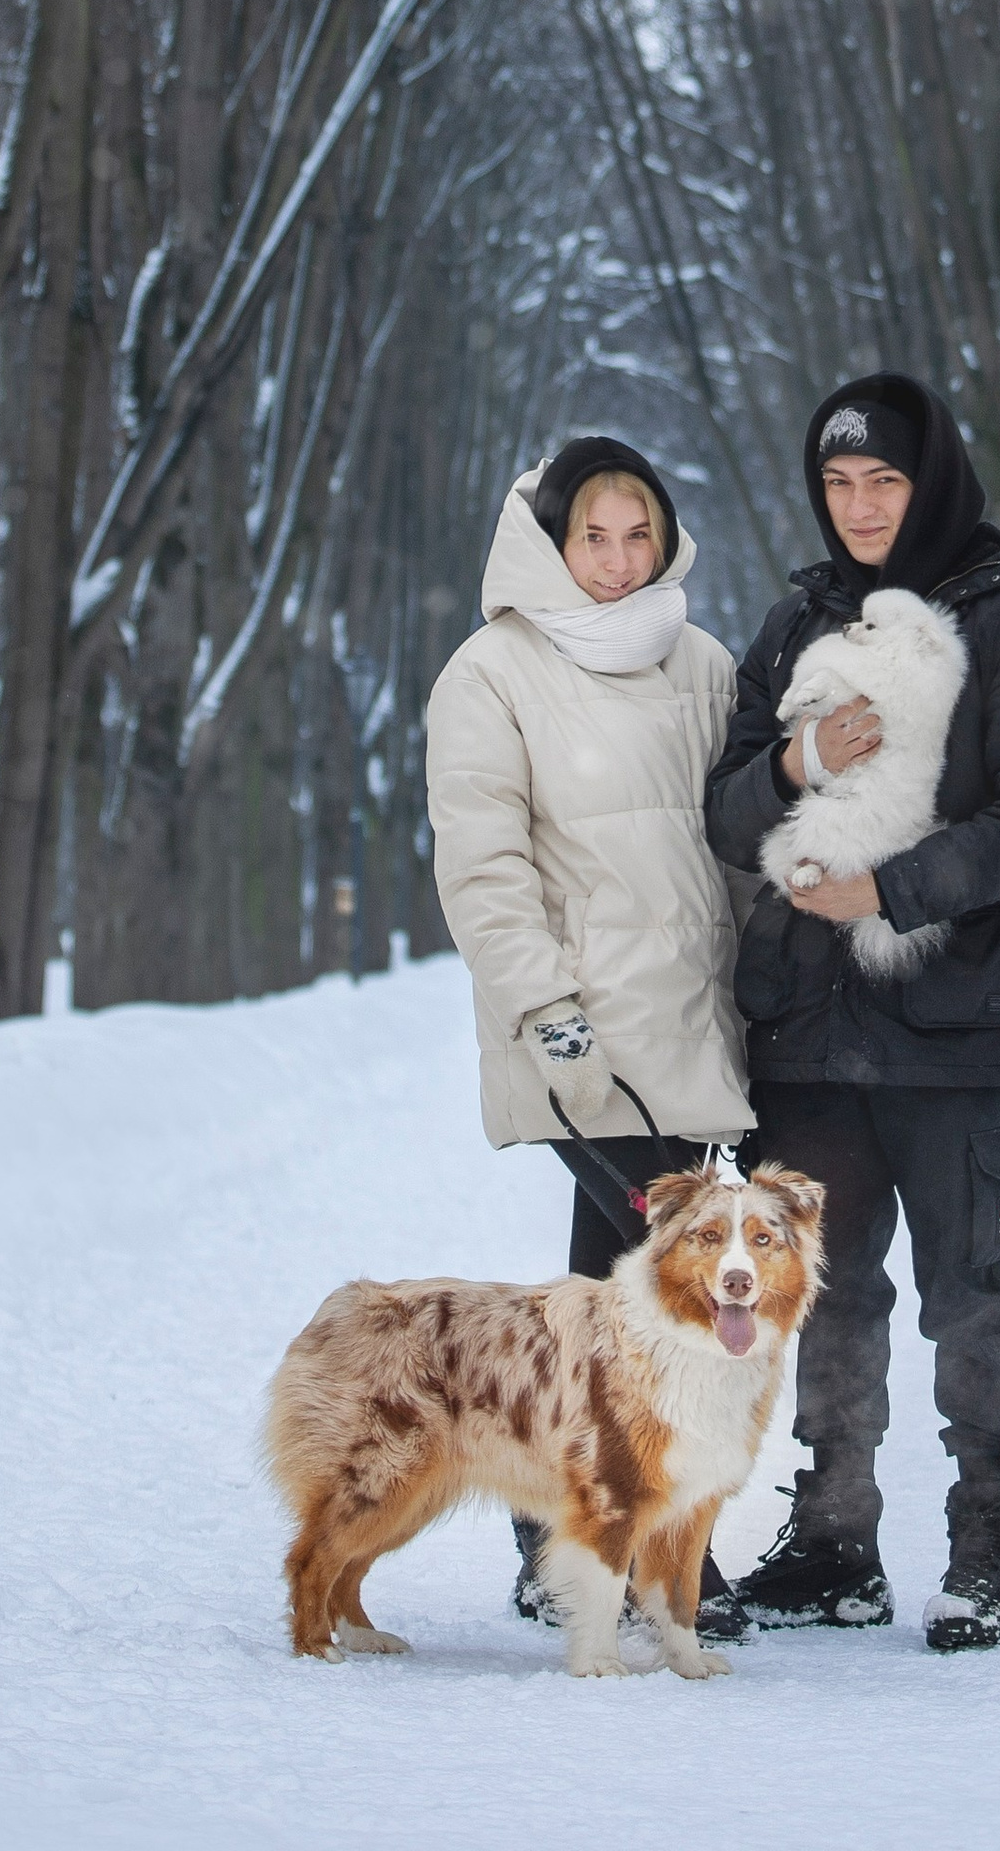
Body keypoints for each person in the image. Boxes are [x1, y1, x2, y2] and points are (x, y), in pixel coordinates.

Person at [705, 373, 1000, 1651]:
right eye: (839, 482)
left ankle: (986, 1548)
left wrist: (897, 888)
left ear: (929, 482)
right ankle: (834, 1539)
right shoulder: (795, 622)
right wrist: (792, 767)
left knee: (964, 1292)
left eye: (884, 479)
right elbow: (721, 812)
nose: (861, 505)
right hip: (806, 1032)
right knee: (823, 1292)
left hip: (956, 1024)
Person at [426, 433, 755, 1641]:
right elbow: (482, 862)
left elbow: (733, 841)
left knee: (613, 1302)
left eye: (639, 537)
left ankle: (569, 1534)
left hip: (692, 1034)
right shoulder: (491, 672)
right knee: (638, 1302)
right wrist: (543, 1012)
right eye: (593, 537)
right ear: (550, 543)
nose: (618, 563)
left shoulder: (705, 662)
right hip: (579, 1038)